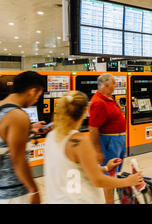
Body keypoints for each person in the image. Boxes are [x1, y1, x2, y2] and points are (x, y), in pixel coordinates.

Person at [44, 91, 143, 204]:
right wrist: (128, 181)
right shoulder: (80, 141)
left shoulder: (51, 136)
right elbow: (98, 180)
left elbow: (73, 169)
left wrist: (106, 168)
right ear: (86, 111)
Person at [0, 71, 48, 204]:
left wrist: (31, 128)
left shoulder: (3, 108)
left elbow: (4, 138)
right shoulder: (18, 116)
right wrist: (34, 189)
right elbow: (18, 159)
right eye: (38, 96)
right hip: (12, 193)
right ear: (32, 91)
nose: (36, 100)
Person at [88, 73, 127, 204]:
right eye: (114, 83)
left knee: (115, 173)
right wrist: (98, 151)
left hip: (118, 140)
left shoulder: (109, 98)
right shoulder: (98, 102)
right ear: (105, 85)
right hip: (109, 142)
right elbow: (93, 129)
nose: (116, 85)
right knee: (109, 175)